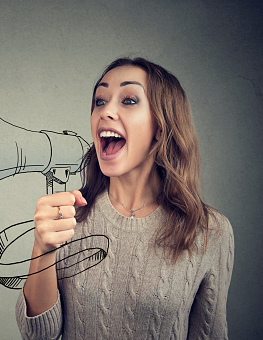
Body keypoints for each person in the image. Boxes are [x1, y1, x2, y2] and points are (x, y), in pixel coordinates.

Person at [15, 57, 234, 339]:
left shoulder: (210, 231)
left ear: (161, 127)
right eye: (100, 101)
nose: (106, 111)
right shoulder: (69, 217)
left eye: (129, 100)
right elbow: (38, 335)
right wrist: (42, 249)